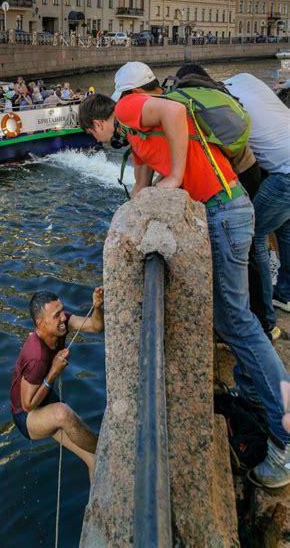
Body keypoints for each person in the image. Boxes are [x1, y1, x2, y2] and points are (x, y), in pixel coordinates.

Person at [78, 61, 290, 489]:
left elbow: (172, 118)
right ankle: (256, 392)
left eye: (92, 132)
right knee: (235, 319)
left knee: (238, 322)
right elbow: (139, 187)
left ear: (107, 115)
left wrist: (174, 175)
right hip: (229, 207)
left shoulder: (136, 109)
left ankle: (285, 440)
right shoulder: (142, 130)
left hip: (223, 210)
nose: (96, 139)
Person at [174, 64, 272, 339]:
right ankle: (264, 320)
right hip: (249, 169)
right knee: (250, 250)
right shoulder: (217, 95)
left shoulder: (189, 102)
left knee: (246, 253)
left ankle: (255, 324)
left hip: (232, 179)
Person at [10, 288, 104, 480]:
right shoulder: (36, 357)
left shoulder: (61, 325)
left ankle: (98, 476)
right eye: (56, 315)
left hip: (45, 398)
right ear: (40, 323)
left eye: (62, 311)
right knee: (63, 413)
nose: (63, 317)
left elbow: (96, 327)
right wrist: (54, 371)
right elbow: (28, 405)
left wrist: (97, 307)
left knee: (91, 459)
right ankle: (108, 454)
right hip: (27, 417)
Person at [223, 72, 290, 327]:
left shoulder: (223, 103)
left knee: (254, 235)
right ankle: (285, 294)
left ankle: (265, 320)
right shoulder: (246, 78)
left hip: (284, 172)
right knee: (285, 230)